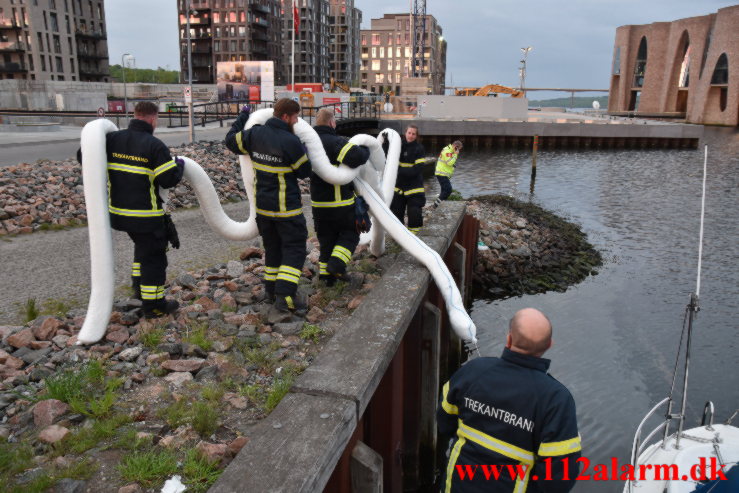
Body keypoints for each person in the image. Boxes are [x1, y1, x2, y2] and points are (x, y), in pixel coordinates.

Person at [438, 308, 581, 493]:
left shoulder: (473, 371)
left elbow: (444, 420)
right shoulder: (556, 399)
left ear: (509, 339)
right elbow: (559, 477)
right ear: (549, 345)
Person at [82, 101, 184, 318]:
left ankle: (138, 289)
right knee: (155, 259)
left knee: (142, 248)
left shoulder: (111, 139)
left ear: (135, 115)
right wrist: (179, 167)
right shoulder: (154, 145)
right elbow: (168, 180)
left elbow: (85, 156)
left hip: (118, 214)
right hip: (146, 216)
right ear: (154, 118)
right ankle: (154, 306)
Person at [225, 98, 310, 314]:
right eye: (295, 117)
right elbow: (304, 171)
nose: (297, 120)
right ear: (285, 117)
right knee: (294, 249)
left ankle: (271, 291)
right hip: (286, 210)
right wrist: (304, 149)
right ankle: (285, 297)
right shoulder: (290, 141)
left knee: (273, 250)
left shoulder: (254, 134)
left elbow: (230, 141)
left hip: (263, 209)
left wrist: (243, 116)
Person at [311, 108, 370, 285]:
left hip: (318, 206)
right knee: (351, 234)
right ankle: (337, 265)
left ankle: (326, 278)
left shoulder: (310, 143)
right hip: (339, 203)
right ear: (331, 123)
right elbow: (356, 156)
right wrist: (365, 149)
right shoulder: (334, 141)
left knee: (326, 240)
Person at [390, 125, 426, 234]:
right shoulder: (398, 146)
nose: (410, 136)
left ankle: (414, 237)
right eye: (409, 133)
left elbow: (417, 169)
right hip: (399, 187)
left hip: (414, 187)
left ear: (416, 136)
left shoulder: (419, 149)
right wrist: (386, 141)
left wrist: (399, 171)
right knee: (396, 212)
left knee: (414, 213)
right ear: (405, 133)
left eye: (413, 134)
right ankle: (399, 236)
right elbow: (387, 156)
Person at [433, 140, 463, 208]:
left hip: (443, 173)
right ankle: (436, 205)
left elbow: (449, 163)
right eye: (459, 149)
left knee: (444, 190)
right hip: (441, 173)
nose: (459, 151)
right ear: (456, 147)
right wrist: (455, 155)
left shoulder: (450, 150)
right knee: (448, 190)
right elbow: (449, 163)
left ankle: (440, 204)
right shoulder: (447, 151)